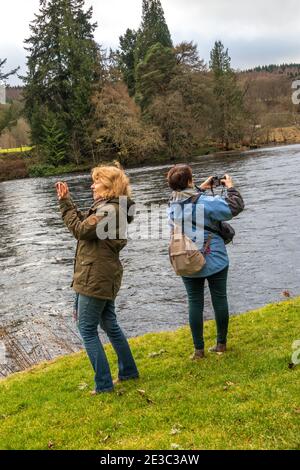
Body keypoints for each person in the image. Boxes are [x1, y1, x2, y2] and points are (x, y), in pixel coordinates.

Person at [55, 163, 139, 394]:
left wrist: (65, 204)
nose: (92, 185)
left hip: (95, 277)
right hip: (101, 274)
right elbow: (87, 227)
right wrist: (68, 203)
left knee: (87, 329)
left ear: (110, 186)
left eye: (96, 181)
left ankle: (103, 384)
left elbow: (81, 230)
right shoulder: (112, 208)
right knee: (109, 324)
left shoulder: (110, 211)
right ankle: (129, 371)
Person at [167, 164, 244, 359]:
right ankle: (221, 345)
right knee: (219, 299)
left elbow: (188, 196)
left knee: (194, 302)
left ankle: (198, 350)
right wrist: (231, 187)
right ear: (190, 181)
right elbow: (234, 206)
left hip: (186, 259)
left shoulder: (171, 205)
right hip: (214, 257)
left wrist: (201, 186)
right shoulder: (207, 203)